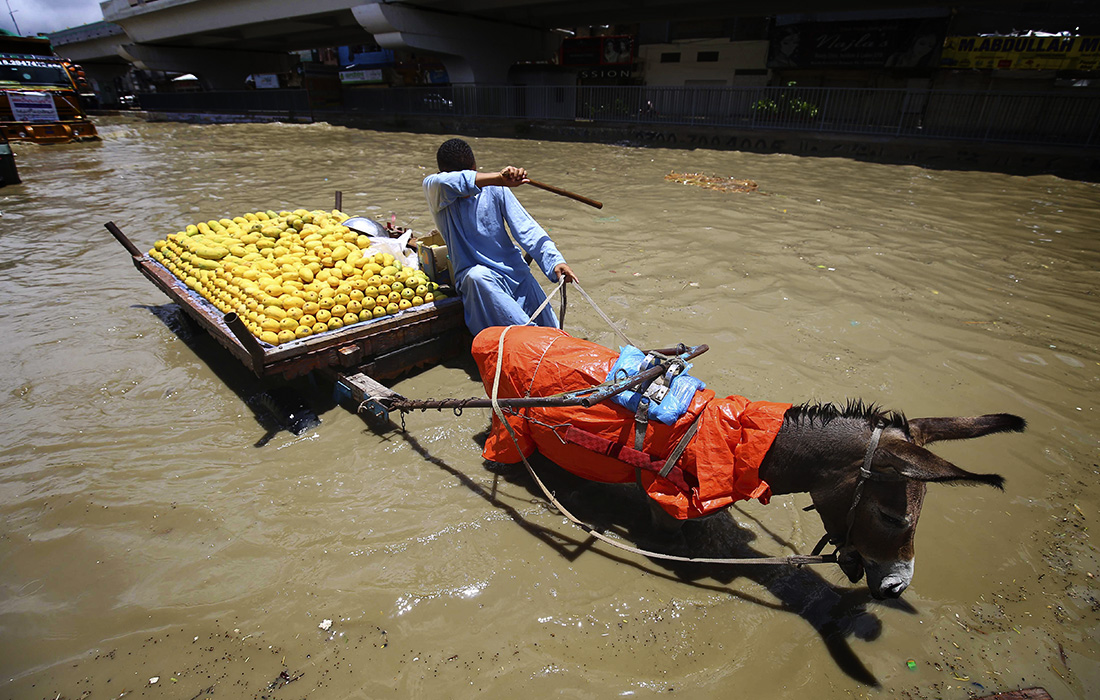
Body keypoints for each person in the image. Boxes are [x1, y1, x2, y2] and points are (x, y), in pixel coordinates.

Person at [423, 138, 579, 337]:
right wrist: (499, 177)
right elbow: (455, 181)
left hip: (515, 273)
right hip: (479, 281)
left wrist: (555, 261)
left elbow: (526, 228)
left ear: (475, 167)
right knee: (477, 277)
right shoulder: (436, 189)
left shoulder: (494, 188)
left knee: (555, 333)